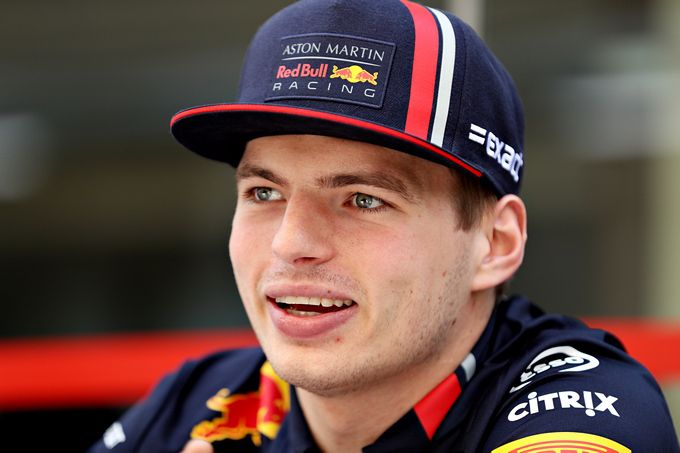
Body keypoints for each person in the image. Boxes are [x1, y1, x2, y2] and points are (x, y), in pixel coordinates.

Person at [90, 0, 679, 452]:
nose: (290, 243)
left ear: (495, 244)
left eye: (363, 200)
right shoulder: (201, 403)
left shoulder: (576, 402)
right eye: (264, 193)